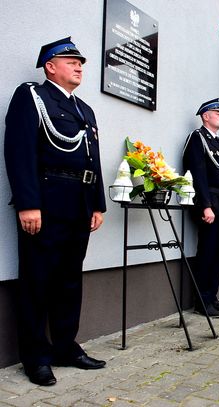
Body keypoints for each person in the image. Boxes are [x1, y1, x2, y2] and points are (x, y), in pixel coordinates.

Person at [3, 37, 107, 386]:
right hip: (46, 204)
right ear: (50, 66)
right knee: (37, 282)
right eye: (71, 61)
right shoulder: (32, 96)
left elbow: (92, 159)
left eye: (81, 62)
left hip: (78, 205)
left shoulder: (84, 110)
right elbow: (19, 151)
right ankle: (35, 356)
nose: (79, 66)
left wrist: (97, 203)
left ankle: (65, 347)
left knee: (69, 280)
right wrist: (28, 202)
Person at [182, 98, 219, 318]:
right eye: (218, 113)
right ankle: (201, 302)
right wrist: (205, 206)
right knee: (207, 253)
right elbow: (197, 174)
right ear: (206, 116)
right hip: (210, 203)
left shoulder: (217, 141)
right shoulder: (197, 138)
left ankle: (212, 296)